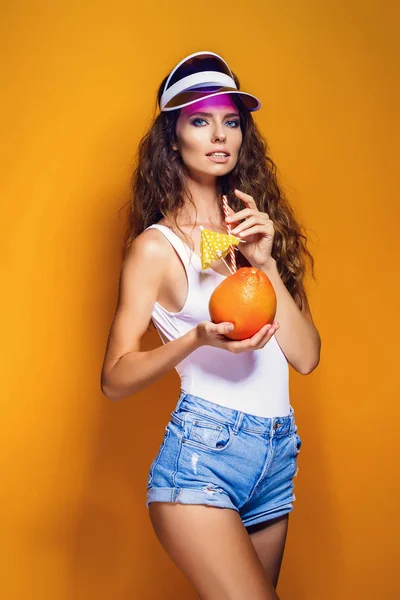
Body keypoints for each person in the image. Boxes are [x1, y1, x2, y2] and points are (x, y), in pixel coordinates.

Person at [101, 51, 321, 600]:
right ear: (172, 139)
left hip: (276, 457)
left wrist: (266, 263)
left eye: (230, 120)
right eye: (199, 120)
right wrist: (197, 337)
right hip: (204, 458)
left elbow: (308, 356)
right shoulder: (157, 248)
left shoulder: (251, 234)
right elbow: (114, 377)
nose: (219, 134)